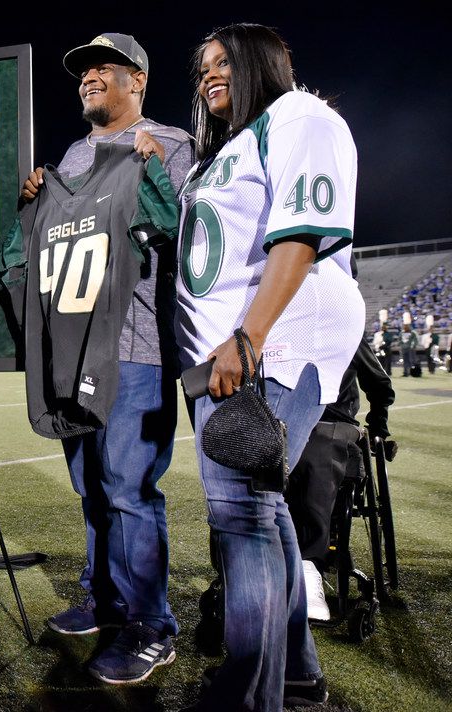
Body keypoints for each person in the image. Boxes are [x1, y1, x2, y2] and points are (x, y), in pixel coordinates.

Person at [173, 23, 363, 711]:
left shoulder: (300, 115)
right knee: (261, 509)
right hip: (227, 348)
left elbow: (302, 235)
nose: (208, 76)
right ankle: (296, 676)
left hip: (272, 340)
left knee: (242, 515)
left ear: (263, 63)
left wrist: (249, 339)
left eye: (223, 62)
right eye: (201, 68)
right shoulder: (230, 145)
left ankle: (247, 693)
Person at [18, 32, 194, 684]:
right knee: (90, 488)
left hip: (135, 346)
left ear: (138, 79)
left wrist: (148, 170)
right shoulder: (72, 152)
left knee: (128, 490)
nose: (90, 76)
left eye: (104, 68)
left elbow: (179, 231)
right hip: (74, 345)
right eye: (85, 70)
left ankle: (154, 626)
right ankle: (106, 598)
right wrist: (37, 198)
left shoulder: (171, 142)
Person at [286, 336, 394, 622]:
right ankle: (240, 568)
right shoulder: (270, 320)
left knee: (319, 443)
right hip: (281, 418)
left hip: (331, 421)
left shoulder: (344, 325)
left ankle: (309, 565)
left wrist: (378, 425)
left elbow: (380, 385)